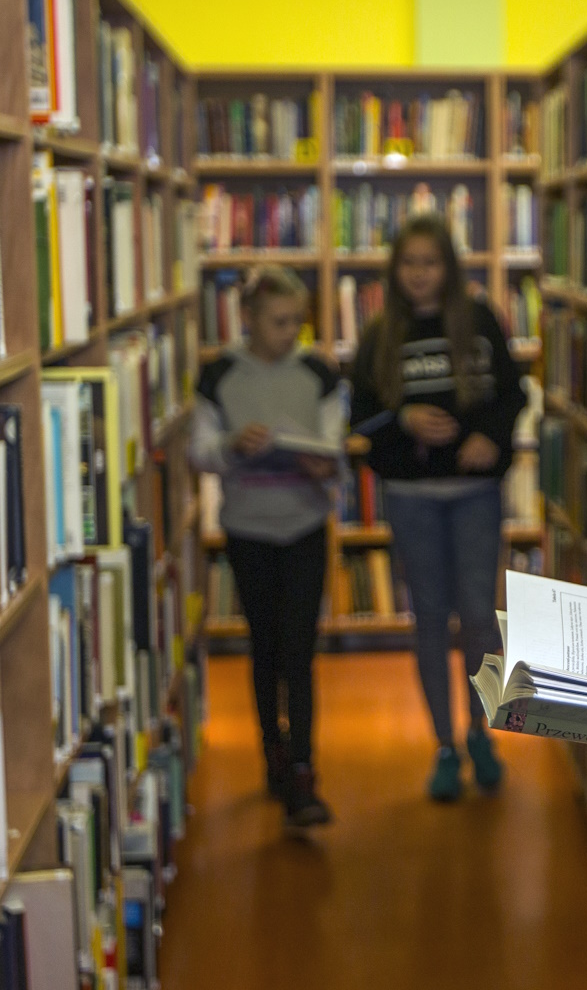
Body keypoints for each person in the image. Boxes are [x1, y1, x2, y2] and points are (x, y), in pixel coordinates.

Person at [350, 212, 525, 802]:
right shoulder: (380, 336)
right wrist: (402, 422)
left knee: (479, 615)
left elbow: (512, 394)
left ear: (448, 267)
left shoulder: (477, 321)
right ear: (394, 271)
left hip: (475, 495)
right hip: (412, 499)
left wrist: (490, 440)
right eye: (409, 263)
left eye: (431, 262)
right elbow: (361, 417)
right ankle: (443, 745)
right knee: (429, 619)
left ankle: (483, 734)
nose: (420, 274)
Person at [191, 267, 341, 829]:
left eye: (296, 324)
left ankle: (304, 770)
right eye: (278, 323)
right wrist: (232, 445)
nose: (289, 334)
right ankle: (271, 756)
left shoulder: (318, 371)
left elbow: (334, 443)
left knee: (300, 652)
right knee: (266, 648)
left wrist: (322, 461)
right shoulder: (220, 374)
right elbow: (199, 451)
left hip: (303, 525)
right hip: (247, 529)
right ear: (248, 318)